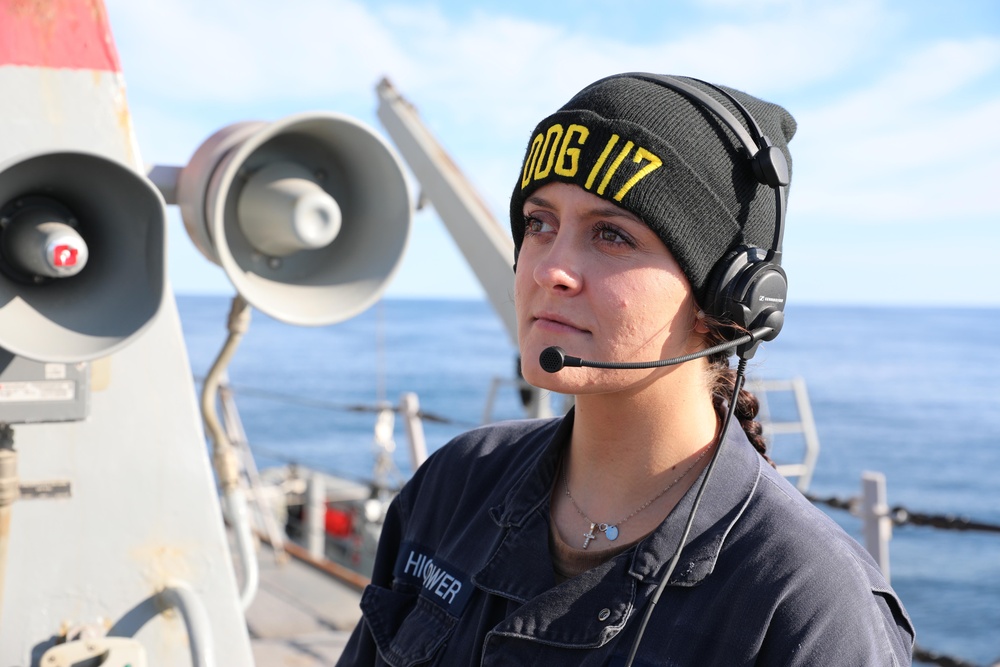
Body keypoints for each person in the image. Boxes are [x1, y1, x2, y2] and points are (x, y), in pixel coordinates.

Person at [337, 73, 914, 666]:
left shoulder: (805, 605)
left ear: (727, 298)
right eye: (539, 223)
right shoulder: (454, 484)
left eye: (611, 235)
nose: (549, 270)